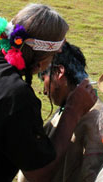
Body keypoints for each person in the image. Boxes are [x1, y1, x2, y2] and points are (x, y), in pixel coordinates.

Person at [0, 4, 97, 182]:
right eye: (52, 56)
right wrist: (73, 110)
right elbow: (39, 173)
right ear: (42, 58)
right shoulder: (14, 96)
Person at [18, 41, 103, 182]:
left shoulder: (95, 120)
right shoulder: (67, 109)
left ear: (58, 73)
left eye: (43, 78)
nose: (44, 91)